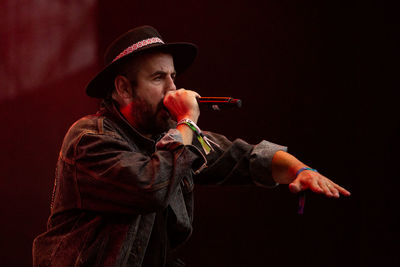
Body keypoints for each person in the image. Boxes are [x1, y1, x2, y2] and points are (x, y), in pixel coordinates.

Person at [32, 25, 350, 267]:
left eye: (173, 76)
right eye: (159, 78)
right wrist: (187, 122)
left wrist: (300, 169)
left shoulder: (169, 134)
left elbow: (238, 157)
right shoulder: (89, 140)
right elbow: (151, 186)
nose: (174, 88)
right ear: (124, 89)